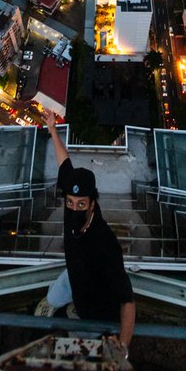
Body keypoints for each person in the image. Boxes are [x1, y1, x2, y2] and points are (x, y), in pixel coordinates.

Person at [39, 109, 136, 357]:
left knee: (83, 336)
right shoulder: (74, 192)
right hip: (73, 274)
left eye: (81, 204)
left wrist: (122, 346)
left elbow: (127, 300)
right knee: (53, 295)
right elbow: (64, 162)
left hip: (94, 303)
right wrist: (52, 127)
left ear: (93, 203)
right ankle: (58, 304)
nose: (74, 208)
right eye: (70, 202)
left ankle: (77, 318)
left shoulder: (104, 243)